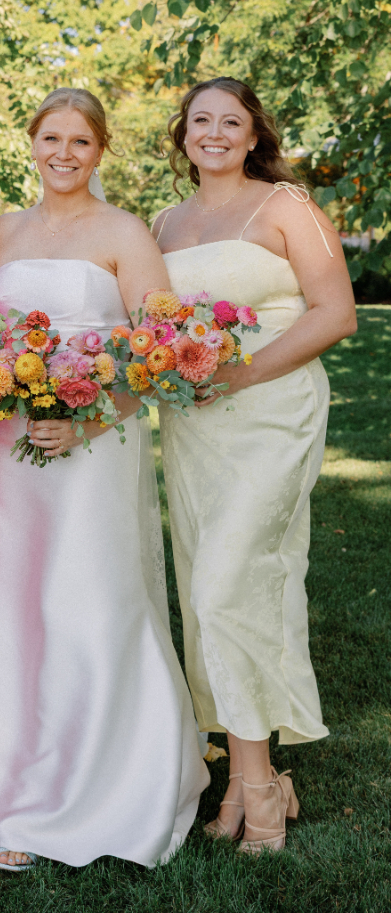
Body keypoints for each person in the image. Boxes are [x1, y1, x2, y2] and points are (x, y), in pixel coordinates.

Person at [0, 87, 209, 871]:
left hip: (97, 441)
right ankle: (25, 781)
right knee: (20, 601)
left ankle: (114, 782)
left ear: (100, 150)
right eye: (51, 138)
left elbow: (161, 352)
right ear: (32, 143)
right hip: (10, 447)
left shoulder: (124, 231)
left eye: (80, 141)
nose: (64, 153)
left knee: (90, 593)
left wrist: (86, 414)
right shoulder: (3, 231)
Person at [152, 76, 357, 853]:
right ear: (184, 133)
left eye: (229, 122)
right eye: (200, 120)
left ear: (251, 135)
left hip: (273, 412)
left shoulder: (286, 207)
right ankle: (247, 773)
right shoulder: (165, 222)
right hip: (193, 423)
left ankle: (261, 785)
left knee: (226, 582)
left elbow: (335, 311)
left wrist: (245, 371)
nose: (213, 133)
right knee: (208, 589)